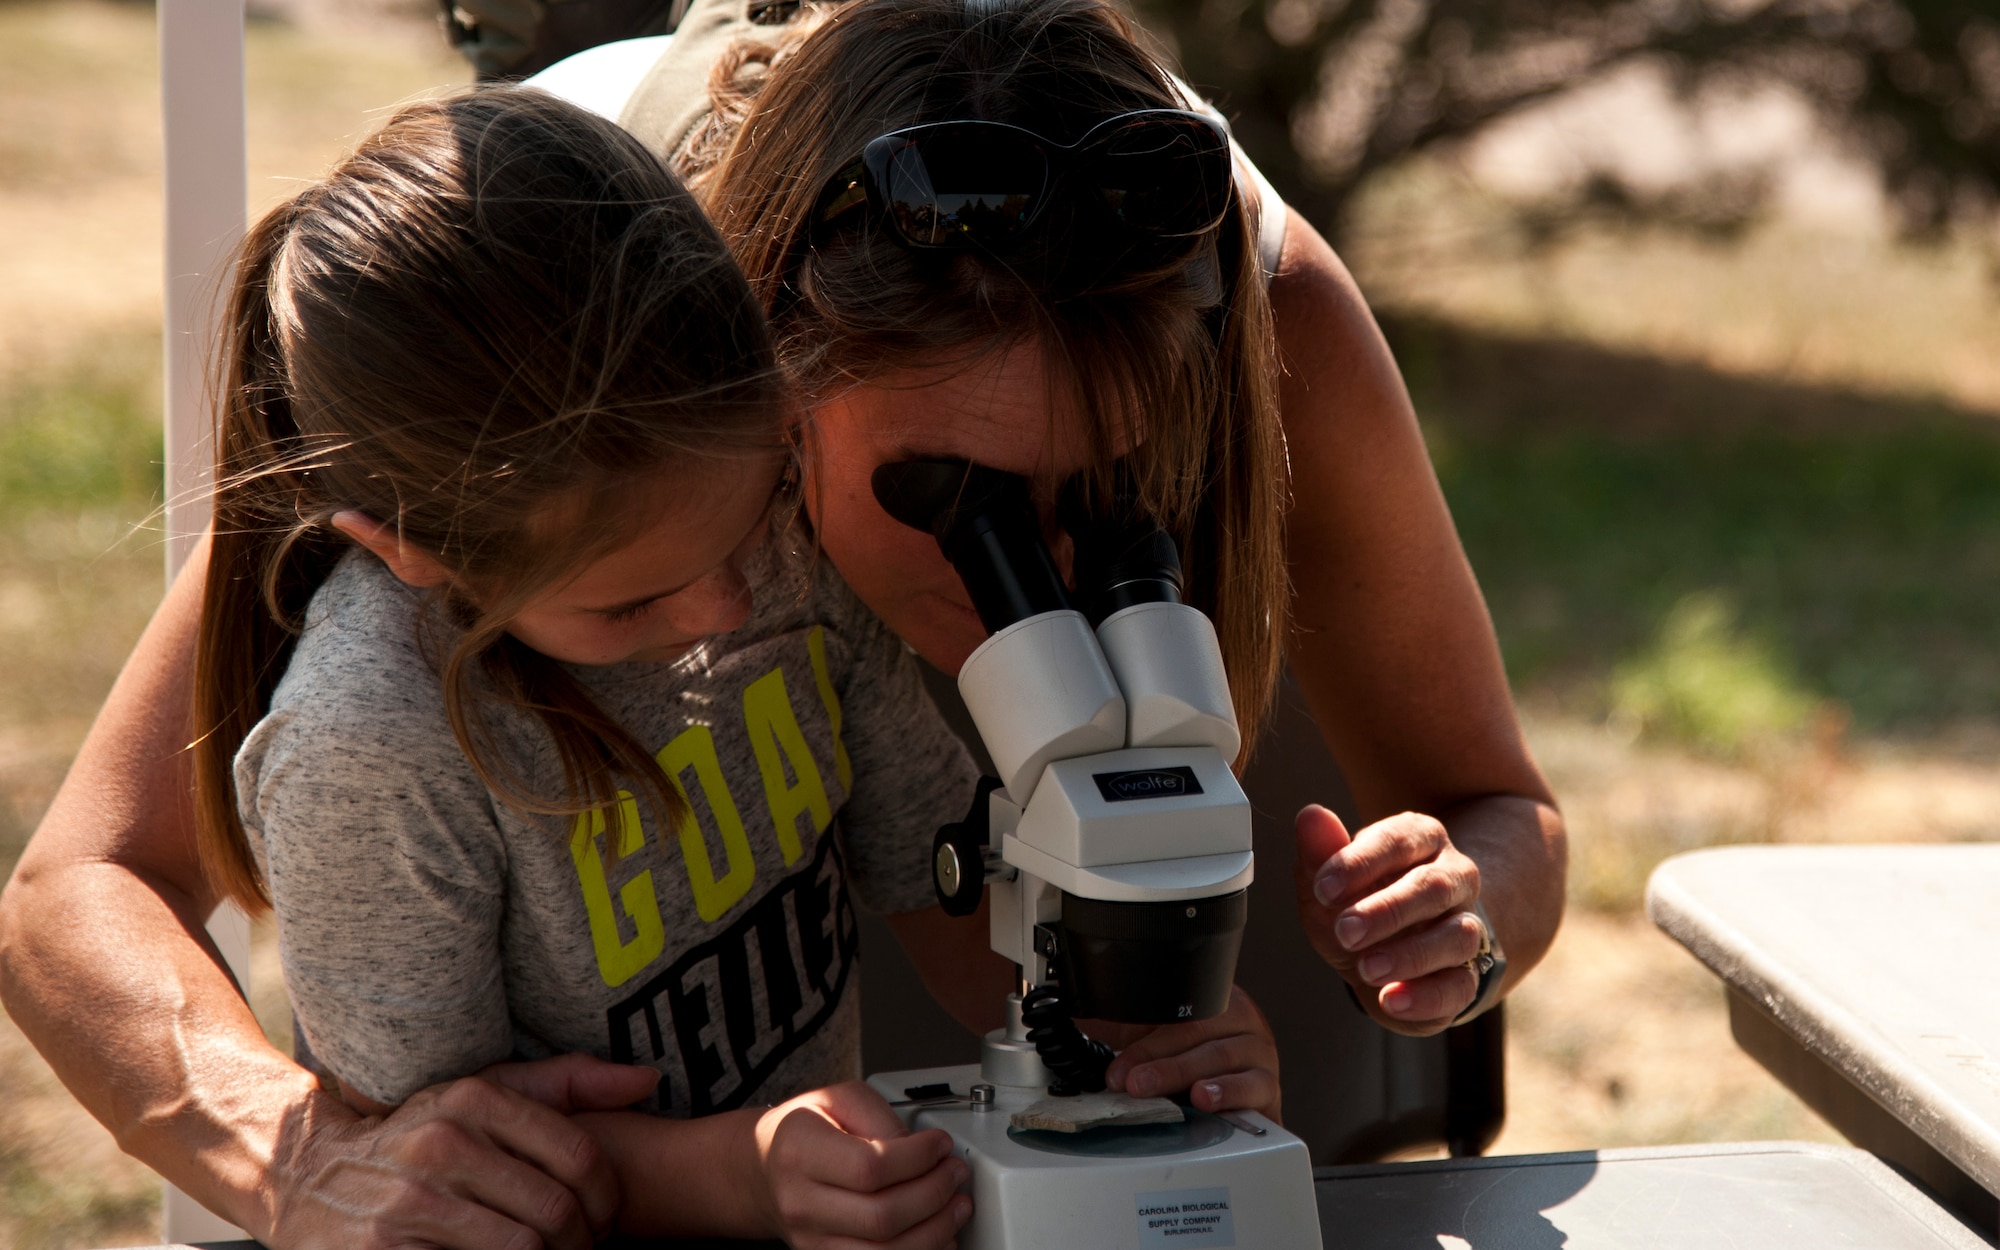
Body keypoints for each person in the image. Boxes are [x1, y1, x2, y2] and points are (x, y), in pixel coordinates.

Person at [0, 0, 1566, 1244]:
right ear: (752, 379)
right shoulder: (547, 341)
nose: (1017, 566)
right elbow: (78, 886)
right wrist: (310, 1160)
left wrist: (1450, 921)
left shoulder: (1254, 303)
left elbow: (1500, 805)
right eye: (947, 489)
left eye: (1107, 495)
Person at [188, 83, 1019, 1247]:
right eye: (629, 599)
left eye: (742, 532)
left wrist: (1134, 1018)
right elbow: (448, 1173)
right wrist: (742, 1171)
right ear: (411, 549)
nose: (729, 605)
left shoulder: (777, 534)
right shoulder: (374, 747)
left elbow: (953, 895)